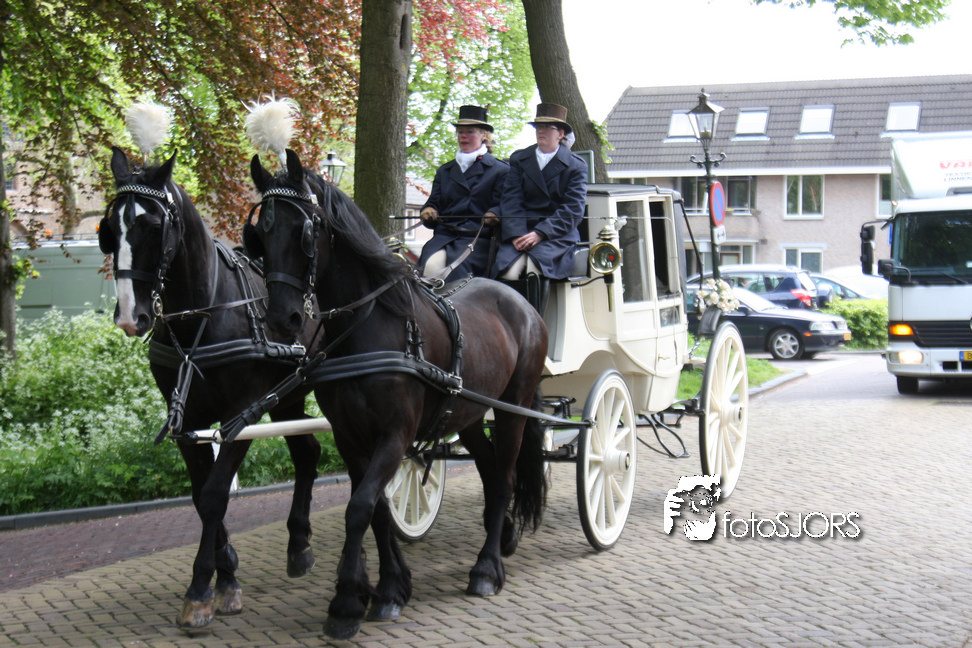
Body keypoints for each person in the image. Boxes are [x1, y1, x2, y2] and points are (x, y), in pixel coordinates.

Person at [492, 103, 587, 311]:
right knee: (507, 270)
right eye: (538, 127)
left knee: (535, 268)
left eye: (547, 127)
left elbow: (573, 209)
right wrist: (517, 234)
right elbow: (511, 200)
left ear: (560, 134)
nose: (541, 132)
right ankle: (509, 325)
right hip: (521, 231)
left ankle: (535, 325)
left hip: (555, 235)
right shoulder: (520, 159)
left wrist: (540, 233)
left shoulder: (576, 165)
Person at [418, 105, 509, 282]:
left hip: (477, 239)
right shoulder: (445, 171)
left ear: (484, 135)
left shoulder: (500, 171)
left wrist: (494, 214)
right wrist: (428, 211)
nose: (463, 136)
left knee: (455, 271)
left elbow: (504, 205)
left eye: (470, 132)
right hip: (445, 236)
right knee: (428, 266)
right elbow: (434, 202)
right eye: (460, 132)